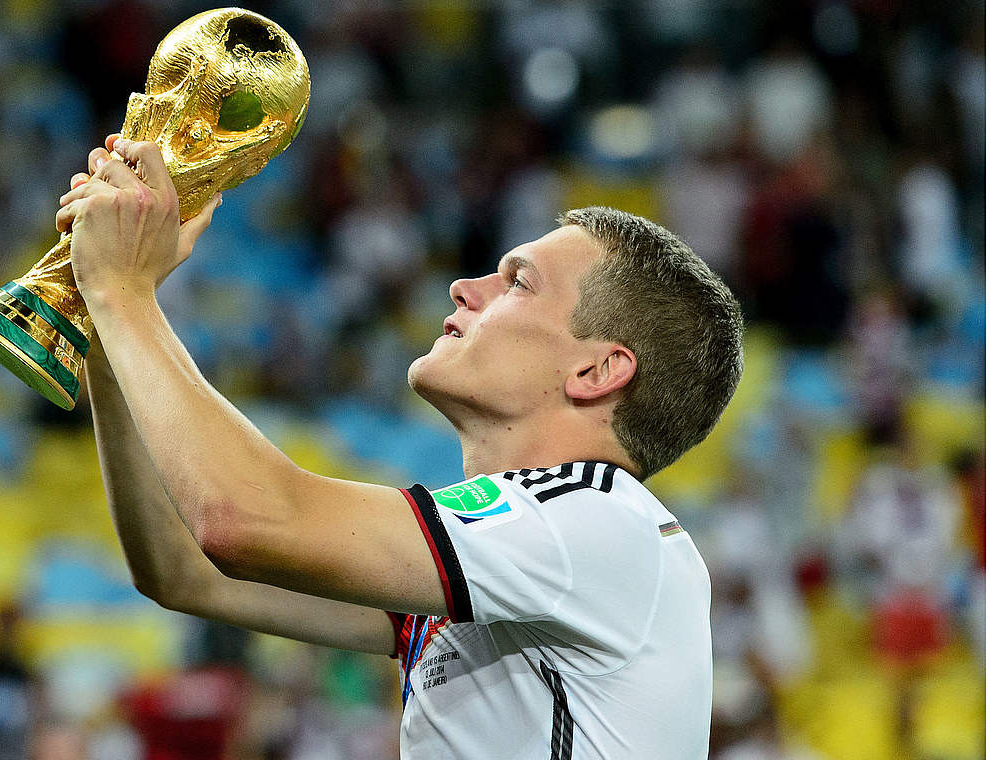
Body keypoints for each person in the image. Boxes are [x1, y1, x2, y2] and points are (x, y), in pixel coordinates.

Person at [57, 133, 744, 758]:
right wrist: (111, 331)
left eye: (518, 282)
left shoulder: (598, 522)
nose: (464, 288)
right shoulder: (524, 552)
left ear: (596, 371)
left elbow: (245, 523)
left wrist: (124, 292)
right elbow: (184, 570)